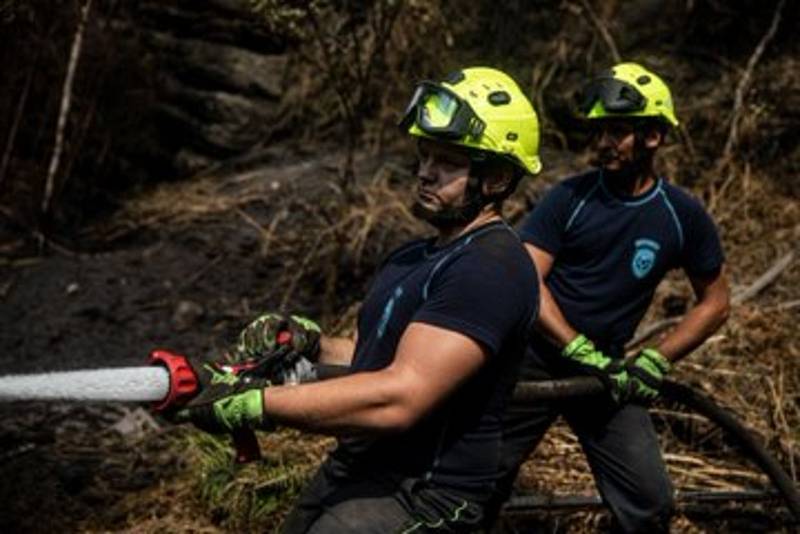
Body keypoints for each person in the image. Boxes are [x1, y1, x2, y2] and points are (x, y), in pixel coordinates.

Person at [180, 67, 543, 532]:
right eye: (425, 154)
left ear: (495, 180)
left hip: (425, 496)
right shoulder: (415, 256)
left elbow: (400, 396)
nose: (424, 172)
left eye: (447, 161)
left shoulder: (490, 268)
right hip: (360, 467)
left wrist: (260, 404)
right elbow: (375, 356)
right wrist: (309, 342)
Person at [493, 62, 731, 533]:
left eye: (617, 132)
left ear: (654, 138)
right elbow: (525, 279)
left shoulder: (681, 215)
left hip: (609, 370)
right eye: (598, 131)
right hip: (533, 357)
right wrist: (571, 344)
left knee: (649, 501)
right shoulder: (569, 198)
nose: (602, 143)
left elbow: (716, 303)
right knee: (476, 481)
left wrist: (656, 360)